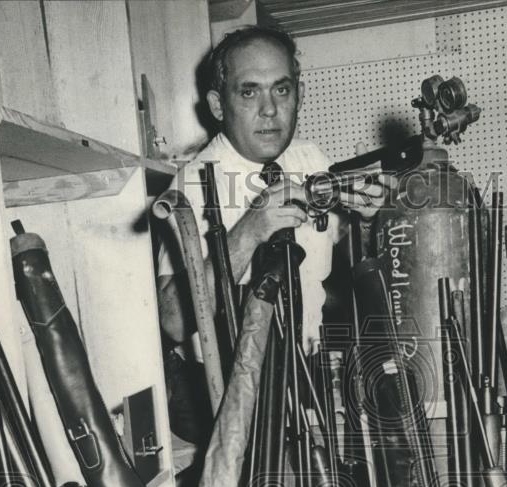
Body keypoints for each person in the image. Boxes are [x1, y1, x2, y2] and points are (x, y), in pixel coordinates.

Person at [156, 24, 387, 373]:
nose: (269, 109)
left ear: (300, 95)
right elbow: (172, 320)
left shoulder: (312, 161)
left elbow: (350, 263)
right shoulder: (190, 185)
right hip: (219, 391)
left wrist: (367, 221)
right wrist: (250, 230)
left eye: (281, 89)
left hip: (305, 372)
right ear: (218, 106)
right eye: (249, 93)